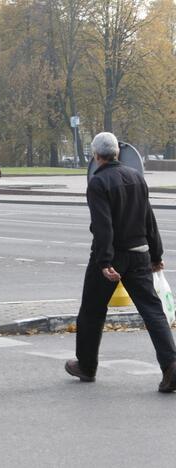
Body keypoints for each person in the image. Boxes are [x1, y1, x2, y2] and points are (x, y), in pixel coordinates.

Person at [65, 132, 176, 392]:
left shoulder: (98, 182)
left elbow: (103, 226)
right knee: (152, 310)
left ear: (95, 155)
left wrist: (104, 262)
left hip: (112, 256)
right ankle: (171, 365)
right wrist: (156, 256)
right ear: (118, 153)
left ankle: (87, 365)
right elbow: (149, 219)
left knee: (92, 311)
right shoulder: (137, 177)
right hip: (140, 253)